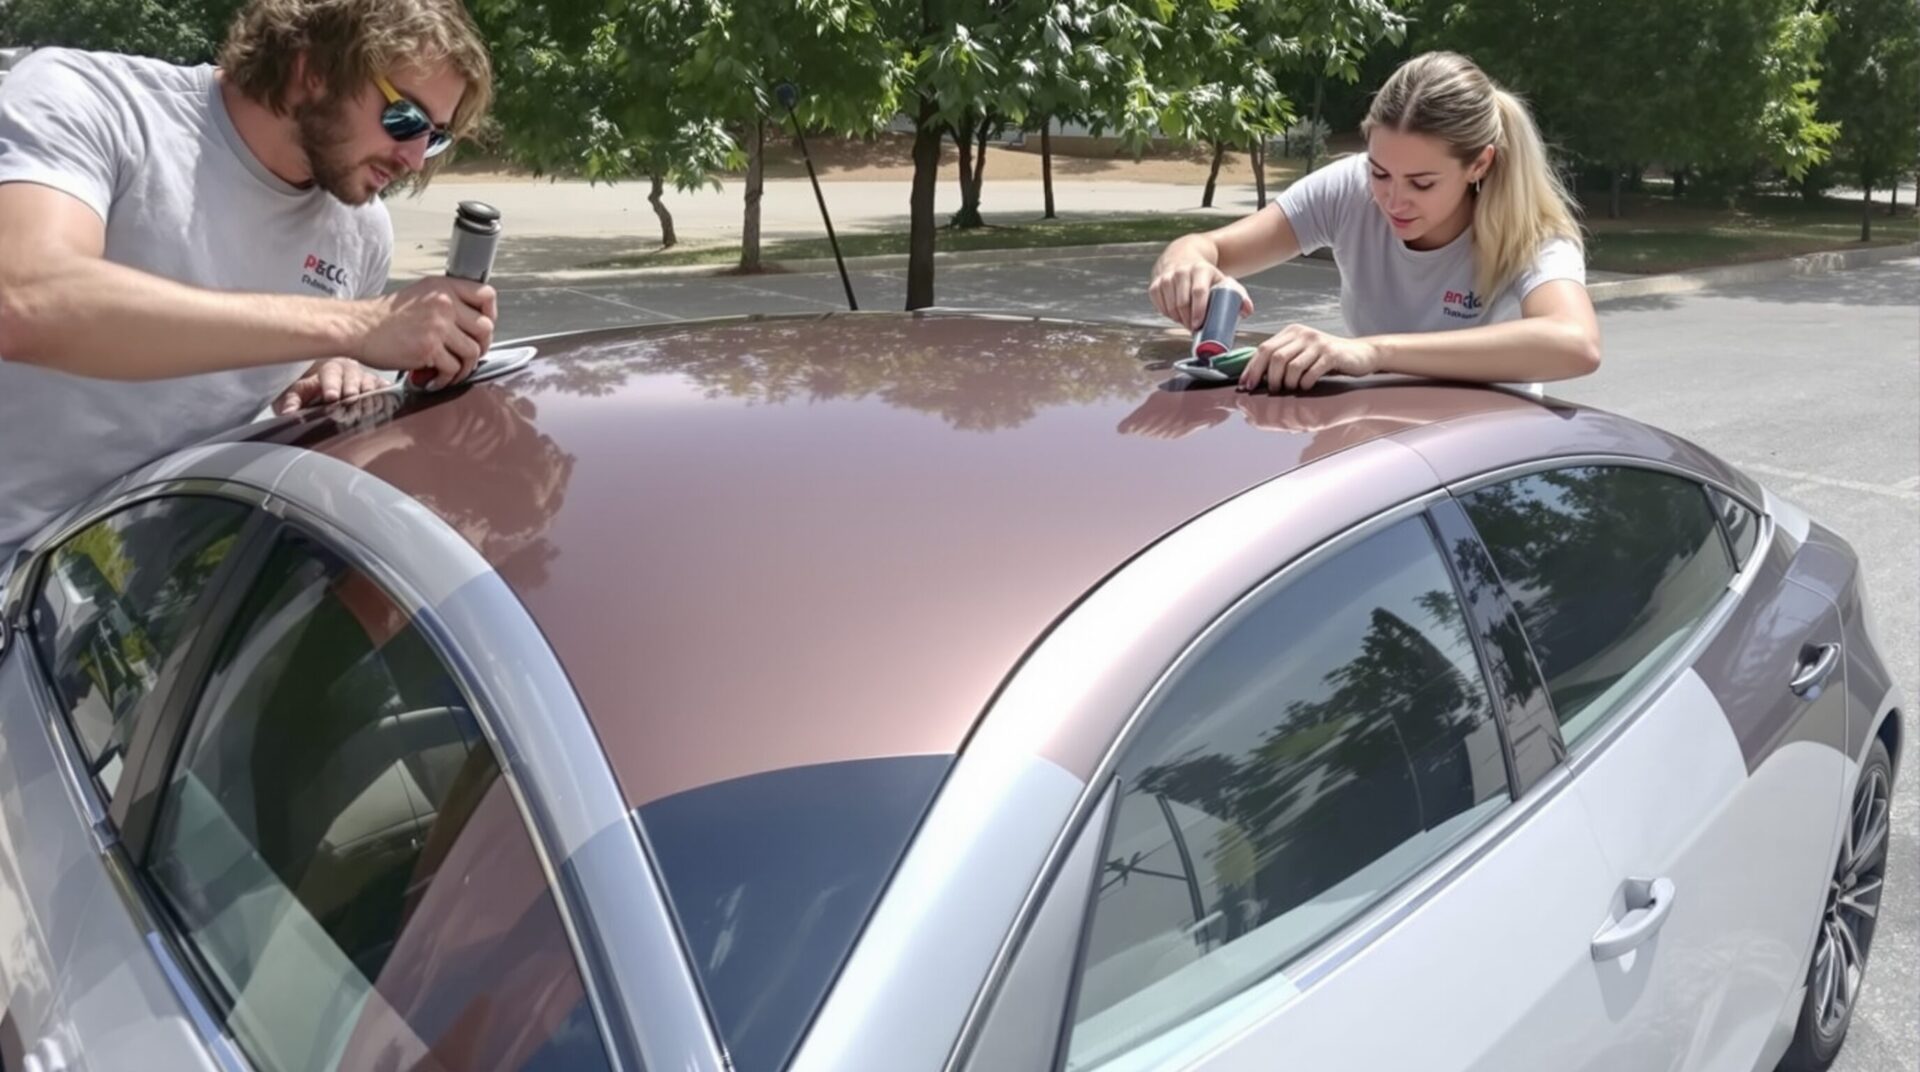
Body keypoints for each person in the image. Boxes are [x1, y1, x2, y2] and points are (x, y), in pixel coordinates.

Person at [0, 0, 495, 560]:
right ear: (314, 68)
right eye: (405, 119)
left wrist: (327, 369)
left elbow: (274, 340)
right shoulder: (91, 100)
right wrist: (358, 325)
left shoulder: (360, 231)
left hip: (139, 581)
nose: (414, 158)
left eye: (435, 137)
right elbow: (30, 302)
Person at [1148, 51, 1601, 395]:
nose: (1393, 201)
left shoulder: (1532, 232)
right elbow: (1210, 248)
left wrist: (1373, 352)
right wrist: (1184, 262)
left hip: (1482, 458)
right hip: (1376, 442)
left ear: (1479, 164)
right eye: (1379, 172)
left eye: (1422, 183)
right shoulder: (1348, 188)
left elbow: (1576, 343)